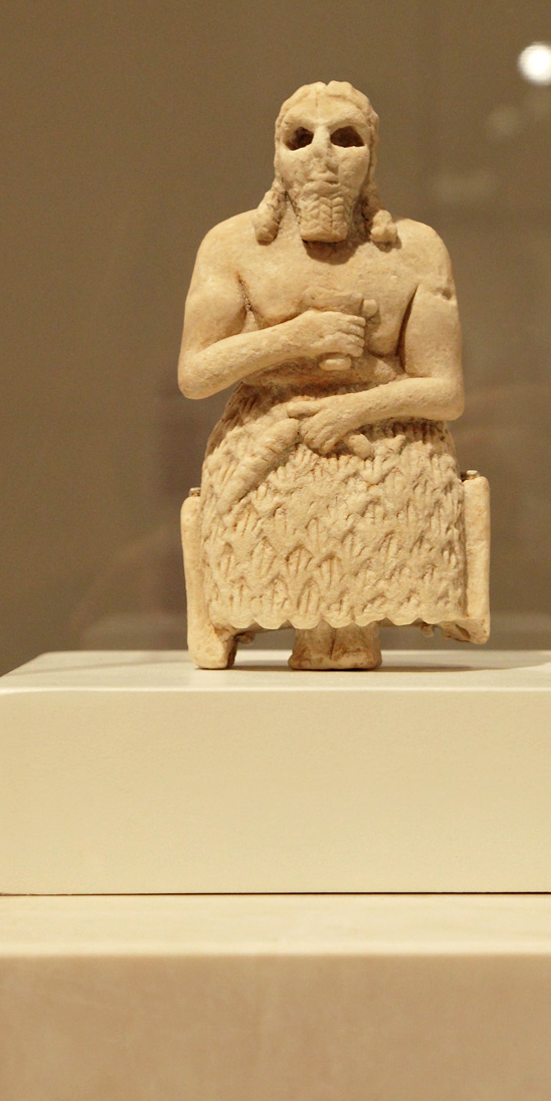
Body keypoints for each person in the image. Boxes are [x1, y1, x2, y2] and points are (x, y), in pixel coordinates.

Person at [177, 81, 486, 669]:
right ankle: (250, 618)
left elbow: (445, 393)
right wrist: (295, 338)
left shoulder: (416, 250)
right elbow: (195, 375)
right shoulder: (231, 245)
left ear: (370, 158)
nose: (321, 155)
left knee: (390, 491)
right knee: (266, 494)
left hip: (386, 431)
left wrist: (351, 408)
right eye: (301, 139)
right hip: (267, 425)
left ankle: (352, 633)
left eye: (345, 138)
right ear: (278, 157)